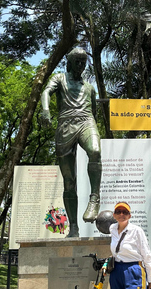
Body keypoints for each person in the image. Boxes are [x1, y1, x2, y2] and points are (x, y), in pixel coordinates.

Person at [40, 47, 102, 238]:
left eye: (83, 62)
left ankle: (94, 197)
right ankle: (73, 226)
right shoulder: (60, 79)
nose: (81, 65)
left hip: (85, 121)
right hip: (65, 125)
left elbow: (95, 112)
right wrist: (45, 110)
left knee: (95, 151)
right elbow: (46, 92)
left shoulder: (90, 88)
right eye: (77, 61)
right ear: (69, 62)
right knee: (69, 181)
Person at [107, 201, 151, 289]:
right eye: (118, 212)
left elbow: (146, 255)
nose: (122, 214)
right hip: (116, 271)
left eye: (125, 212)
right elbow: (116, 251)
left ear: (129, 216)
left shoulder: (136, 231)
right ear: (114, 215)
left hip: (134, 270)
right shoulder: (112, 229)